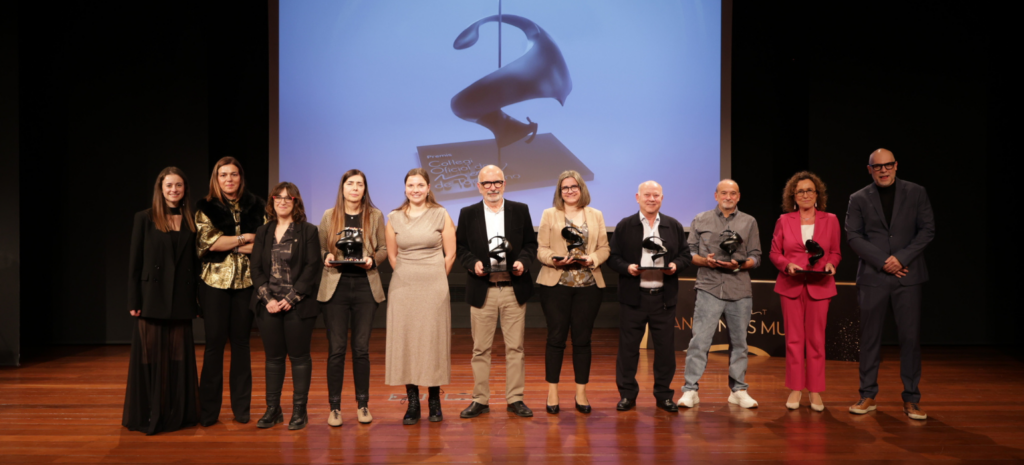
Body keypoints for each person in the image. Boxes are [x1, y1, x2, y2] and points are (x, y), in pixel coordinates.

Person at [846, 148, 934, 420]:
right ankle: (867, 395)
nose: (883, 170)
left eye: (888, 165)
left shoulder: (916, 192)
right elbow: (853, 235)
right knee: (870, 339)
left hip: (908, 275)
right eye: (877, 166)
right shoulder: (859, 198)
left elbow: (927, 230)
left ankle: (911, 399)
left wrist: (901, 258)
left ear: (896, 165)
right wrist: (884, 261)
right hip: (873, 277)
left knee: (910, 339)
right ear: (869, 169)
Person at [455, 165, 538, 419]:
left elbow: (530, 244)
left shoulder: (520, 210)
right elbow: (460, 247)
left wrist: (523, 262)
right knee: (480, 349)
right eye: (487, 183)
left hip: (513, 288)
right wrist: (473, 264)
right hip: (483, 289)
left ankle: (515, 398)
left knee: (516, 348)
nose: (492, 187)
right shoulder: (467, 213)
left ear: (504, 184)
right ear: (479, 186)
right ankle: (480, 399)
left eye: (497, 182)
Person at [123, 167, 201, 435]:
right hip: (151, 297)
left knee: (178, 358)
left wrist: (197, 301)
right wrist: (133, 299)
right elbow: (134, 262)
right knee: (150, 358)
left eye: (178, 185)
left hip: (181, 297)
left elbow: (195, 264)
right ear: (160, 189)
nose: (174, 190)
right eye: (169, 185)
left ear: (185, 188)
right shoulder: (144, 218)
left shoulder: (192, 219)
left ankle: (177, 413)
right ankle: (150, 413)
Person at [194, 157, 266, 426]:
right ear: (216, 178)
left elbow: (264, 243)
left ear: (241, 178)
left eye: (233, 174)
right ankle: (209, 411)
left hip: (246, 283)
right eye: (223, 175)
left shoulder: (257, 206)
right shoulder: (205, 207)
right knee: (214, 345)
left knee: (241, 344)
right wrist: (244, 238)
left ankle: (241, 409)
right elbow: (209, 244)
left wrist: (229, 242)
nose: (229, 180)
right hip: (214, 283)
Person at [679, 179, 762, 410]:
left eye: (733, 193)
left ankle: (738, 390)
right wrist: (705, 260)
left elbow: (756, 256)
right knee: (699, 341)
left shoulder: (749, 221)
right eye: (724, 193)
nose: (728, 197)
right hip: (709, 287)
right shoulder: (701, 219)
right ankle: (690, 390)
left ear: (738, 196)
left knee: (740, 343)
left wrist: (742, 264)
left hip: (739, 289)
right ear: (716, 196)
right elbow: (689, 253)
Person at [608, 181, 690, 413]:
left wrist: (675, 265)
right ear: (638, 197)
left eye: (656, 195)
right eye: (647, 195)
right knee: (628, 350)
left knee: (665, 351)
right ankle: (627, 395)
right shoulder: (625, 225)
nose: (651, 199)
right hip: (633, 298)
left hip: (664, 298)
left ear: (662, 198)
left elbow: (685, 255)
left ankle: (663, 396)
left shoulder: (673, 225)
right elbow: (612, 257)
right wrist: (627, 268)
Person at [384, 168, 457, 425]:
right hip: (403, 288)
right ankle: (413, 402)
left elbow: (450, 254)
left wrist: (435, 278)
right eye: (411, 185)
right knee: (407, 340)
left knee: (432, 340)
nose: (415, 189)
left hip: (434, 286)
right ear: (405, 189)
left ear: (428, 188)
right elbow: (392, 256)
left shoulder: (441, 213)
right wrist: (408, 276)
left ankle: (434, 400)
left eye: (420, 185)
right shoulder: (394, 217)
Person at [317, 169, 388, 426]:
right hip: (335, 286)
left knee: (360, 349)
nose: (355, 188)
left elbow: (383, 248)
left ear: (364, 189)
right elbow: (322, 247)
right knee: (336, 349)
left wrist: (372, 259)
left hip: (364, 286)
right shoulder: (329, 215)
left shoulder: (375, 215)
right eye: (350, 184)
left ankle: (363, 404)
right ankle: (335, 407)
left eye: (359, 184)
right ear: (343, 188)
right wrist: (326, 256)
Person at [535, 170, 610, 414]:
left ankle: (581, 393)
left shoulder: (596, 214)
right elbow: (541, 249)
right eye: (565, 187)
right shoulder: (549, 214)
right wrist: (555, 259)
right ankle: (553, 392)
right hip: (556, 286)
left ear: (581, 189)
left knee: (582, 340)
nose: (569, 191)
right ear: (560, 191)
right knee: (556, 339)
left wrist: (593, 258)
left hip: (588, 286)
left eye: (573, 187)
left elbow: (604, 248)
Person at [250, 182, 321, 430]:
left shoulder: (308, 231)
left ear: (295, 202)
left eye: (287, 198)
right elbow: (255, 268)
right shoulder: (263, 231)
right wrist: (267, 299)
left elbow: (312, 267)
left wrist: (291, 298)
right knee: (273, 359)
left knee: (299, 357)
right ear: (272, 201)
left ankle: (300, 411)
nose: (282, 201)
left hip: (298, 305)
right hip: (268, 305)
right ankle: (273, 409)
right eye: (277, 197)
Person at [769, 172, 841, 412]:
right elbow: (775, 252)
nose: (805, 194)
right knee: (794, 340)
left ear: (817, 194)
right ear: (793, 196)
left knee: (816, 341)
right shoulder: (784, 220)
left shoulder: (831, 219)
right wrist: (786, 264)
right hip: (791, 284)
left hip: (820, 285)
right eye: (800, 191)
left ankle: (815, 390)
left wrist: (831, 264)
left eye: (810, 190)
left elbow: (835, 252)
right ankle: (795, 388)